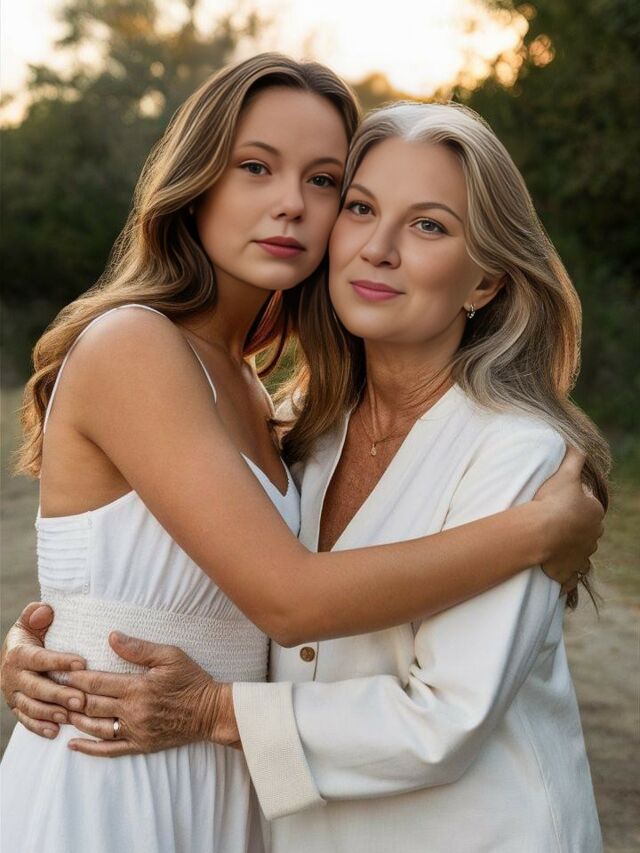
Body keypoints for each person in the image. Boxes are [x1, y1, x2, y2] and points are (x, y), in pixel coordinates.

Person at [0, 60, 602, 853]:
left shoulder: (281, 408)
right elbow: (277, 598)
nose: (292, 203)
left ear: (485, 280)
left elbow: (428, 704)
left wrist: (202, 703)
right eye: (256, 167)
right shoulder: (160, 356)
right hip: (119, 773)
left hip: (290, 799)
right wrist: (537, 533)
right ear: (197, 181)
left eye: (322, 181)